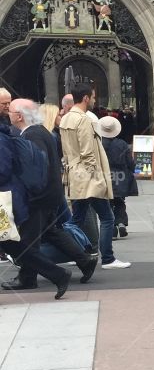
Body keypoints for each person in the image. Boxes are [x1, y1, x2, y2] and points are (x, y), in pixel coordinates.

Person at [1, 99, 96, 293]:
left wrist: (29, 194)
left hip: (39, 197)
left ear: (19, 116)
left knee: (27, 242)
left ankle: (31, 278)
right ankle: (84, 260)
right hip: (48, 194)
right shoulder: (38, 131)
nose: (7, 113)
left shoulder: (32, 134)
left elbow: (35, 170)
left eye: (9, 110)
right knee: (50, 231)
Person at [60, 82, 130, 270]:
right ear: (85, 98)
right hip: (88, 176)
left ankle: (69, 252)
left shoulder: (65, 118)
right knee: (107, 218)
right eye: (92, 97)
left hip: (74, 173)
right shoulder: (84, 120)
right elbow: (88, 152)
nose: (94, 100)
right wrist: (96, 177)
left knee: (77, 219)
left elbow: (67, 151)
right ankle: (107, 258)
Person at [0, 117, 71, 299]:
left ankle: (58, 274)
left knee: (14, 245)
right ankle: (58, 274)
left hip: (5, 200)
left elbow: (4, 170)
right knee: (14, 246)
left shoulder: (2, 139)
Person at [98, 115, 137, 240]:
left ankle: (112, 228)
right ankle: (120, 222)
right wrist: (131, 171)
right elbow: (130, 162)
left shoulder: (98, 144)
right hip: (121, 176)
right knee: (120, 201)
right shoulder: (122, 144)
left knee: (108, 203)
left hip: (104, 175)